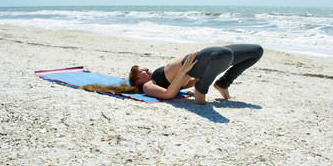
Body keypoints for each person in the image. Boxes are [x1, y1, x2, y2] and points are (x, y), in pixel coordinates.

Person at [81, 44, 263, 105]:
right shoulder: (147, 85)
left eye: (144, 68)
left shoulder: (159, 80)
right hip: (190, 66)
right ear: (137, 80)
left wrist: (193, 81)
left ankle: (223, 83)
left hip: (197, 63)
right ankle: (204, 89)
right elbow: (169, 95)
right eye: (141, 72)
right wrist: (184, 71)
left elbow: (182, 85)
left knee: (256, 51)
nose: (146, 70)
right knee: (224, 54)